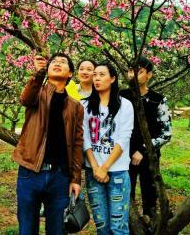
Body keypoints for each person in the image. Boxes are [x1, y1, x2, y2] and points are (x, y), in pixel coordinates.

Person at [12, 52, 84, 235]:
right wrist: (38, 73)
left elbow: (77, 143)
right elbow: (25, 99)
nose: (57, 63)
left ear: (70, 73)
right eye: (53, 62)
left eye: (63, 62)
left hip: (59, 176)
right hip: (30, 172)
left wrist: (75, 179)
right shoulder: (37, 94)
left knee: (57, 230)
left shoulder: (76, 106)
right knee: (27, 229)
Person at [82, 62, 134, 234]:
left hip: (117, 172)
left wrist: (104, 167)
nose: (96, 78)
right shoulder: (85, 106)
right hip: (93, 172)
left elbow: (124, 139)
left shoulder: (125, 105)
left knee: (118, 227)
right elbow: (84, 138)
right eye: (95, 75)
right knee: (102, 225)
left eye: (101, 74)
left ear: (112, 79)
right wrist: (95, 167)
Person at [120, 56, 172, 221]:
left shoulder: (158, 100)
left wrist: (143, 150)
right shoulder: (120, 97)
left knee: (149, 194)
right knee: (125, 195)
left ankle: (151, 221)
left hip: (149, 155)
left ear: (149, 75)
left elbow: (166, 133)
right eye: (130, 71)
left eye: (139, 71)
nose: (133, 75)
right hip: (122, 154)